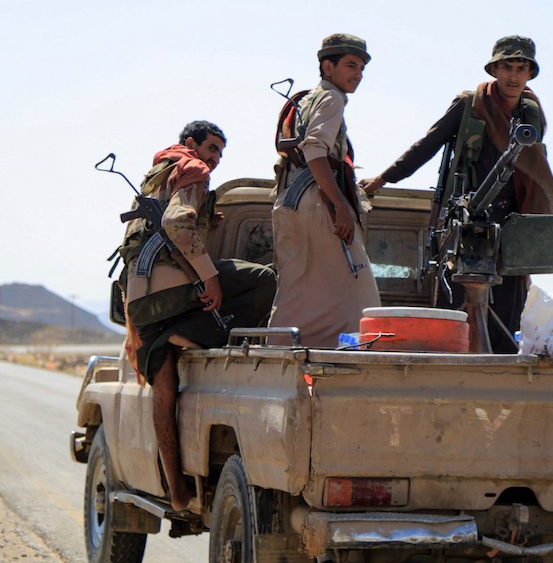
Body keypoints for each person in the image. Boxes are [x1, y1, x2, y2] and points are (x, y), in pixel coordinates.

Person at [362, 35, 553, 353]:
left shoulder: (531, 116)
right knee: (455, 306)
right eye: (507, 67)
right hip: (465, 218)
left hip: (511, 224)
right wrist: (385, 178)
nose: (513, 75)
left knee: (508, 308)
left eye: (520, 68)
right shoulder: (471, 104)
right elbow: (427, 145)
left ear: (529, 74)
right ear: (494, 69)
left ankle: (500, 381)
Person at [119, 120, 277, 510]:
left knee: (165, 390)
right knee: (264, 281)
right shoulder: (194, 169)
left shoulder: (157, 173)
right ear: (190, 144)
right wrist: (210, 277)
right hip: (171, 290)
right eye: (211, 149)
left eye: (220, 153)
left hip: (140, 301)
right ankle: (186, 332)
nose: (215, 159)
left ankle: (177, 489)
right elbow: (176, 222)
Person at [268, 34, 381, 347]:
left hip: (288, 202)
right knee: (357, 297)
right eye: (350, 65)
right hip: (316, 203)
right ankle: (354, 368)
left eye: (361, 67)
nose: (358, 74)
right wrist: (341, 206)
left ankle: (276, 355)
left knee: (297, 288)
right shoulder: (332, 99)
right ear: (327, 67)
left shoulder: (306, 98)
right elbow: (315, 151)